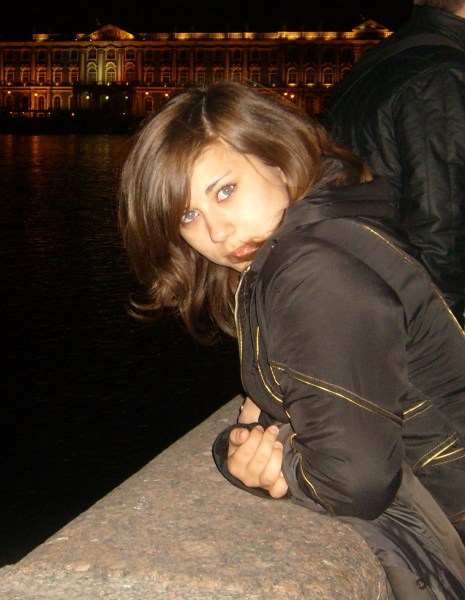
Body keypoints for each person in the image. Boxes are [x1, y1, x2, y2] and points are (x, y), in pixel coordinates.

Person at [118, 81, 465, 599]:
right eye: (188, 216)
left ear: (276, 157)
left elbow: (356, 483)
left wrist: (259, 460)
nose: (218, 231)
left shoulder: (308, 270)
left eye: (225, 191)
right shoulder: (333, 223)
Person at [325, 0, 465, 327]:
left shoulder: (380, 60)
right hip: (425, 317)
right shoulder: (441, 74)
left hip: (372, 295)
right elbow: (441, 238)